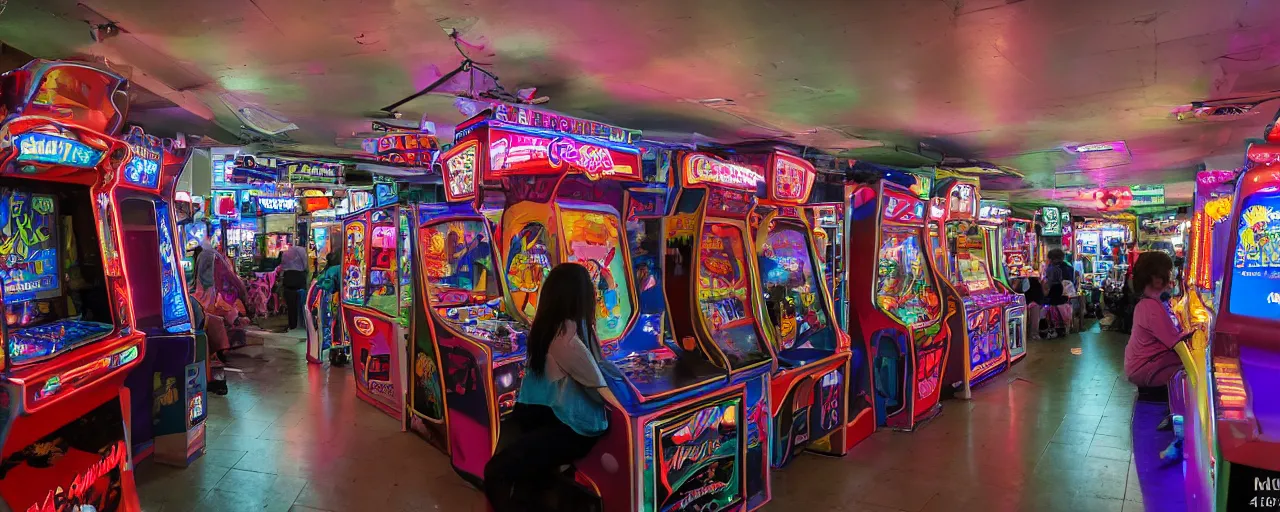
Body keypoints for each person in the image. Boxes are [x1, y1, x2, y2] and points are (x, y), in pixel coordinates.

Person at [484, 263, 609, 512]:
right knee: (528, 478)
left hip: (575, 428)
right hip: (555, 416)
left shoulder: (564, 336)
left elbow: (599, 388)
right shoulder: (561, 330)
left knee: (496, 472)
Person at [1124, 251, 1193, 389]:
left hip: (1144, 364)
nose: (1172, 279)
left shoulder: (1151, 302)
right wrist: (1196, 376)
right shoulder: (1150, 307)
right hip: (1145, 368)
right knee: (1185, 371)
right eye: (1169, 273)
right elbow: (1176, 344)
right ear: (1157, 279)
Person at [279, 236, 310, 331]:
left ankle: (292, 325)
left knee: (291, 307)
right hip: (299, 283)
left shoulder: (286, 257)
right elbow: (305, 266)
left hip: (288, 284)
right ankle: (301, 325)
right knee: (301, 306)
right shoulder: (301, 258)